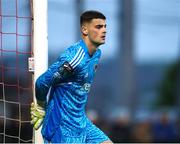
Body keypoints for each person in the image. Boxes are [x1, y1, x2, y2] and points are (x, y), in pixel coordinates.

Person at [30, 10, 112, 143]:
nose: (104, 30)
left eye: (105, 27)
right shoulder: (74, 60)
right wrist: (40, 105)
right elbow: (42, 82)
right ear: (85, 30)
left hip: (81, 122)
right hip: (62, 128)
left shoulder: (96, 54)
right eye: (98, 27)